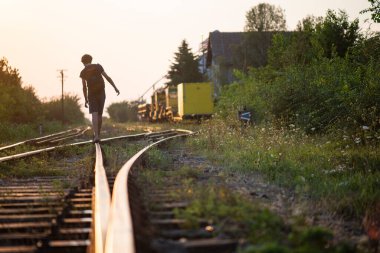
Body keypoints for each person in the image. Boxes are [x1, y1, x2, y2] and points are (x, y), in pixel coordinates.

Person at [80, 54, 120, 143]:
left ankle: (96, 136)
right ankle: (98, 134)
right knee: (99, 115)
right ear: (91, 60)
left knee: (94, 114)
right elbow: (107, 78)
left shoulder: (83, 72)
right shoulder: (98, 67)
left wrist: (86, 99)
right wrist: (115, 88)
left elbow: (84, 87)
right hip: (101, 93)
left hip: (91, 94)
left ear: (83, 62)